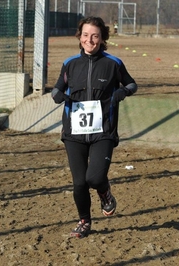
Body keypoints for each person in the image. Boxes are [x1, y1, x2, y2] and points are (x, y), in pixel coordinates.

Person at [51, 16, 137, 238]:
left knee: (95, 178)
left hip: (103, 131)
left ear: (102, 38)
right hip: (74, 132)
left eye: (95, 36)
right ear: (79, 37)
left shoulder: (113, 63)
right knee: (79, 183)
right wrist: (58, 95)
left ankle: (105, 193)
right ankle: (84, 221)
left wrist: (122, 92)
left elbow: (131, 83)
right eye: (86, 35)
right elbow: (56, 89)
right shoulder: (70, 63)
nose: (90, 40)